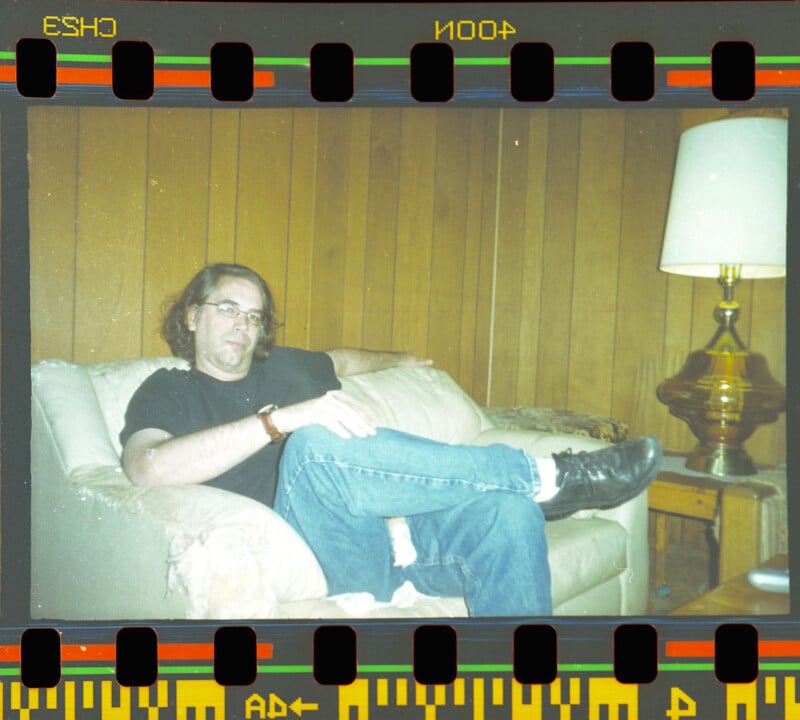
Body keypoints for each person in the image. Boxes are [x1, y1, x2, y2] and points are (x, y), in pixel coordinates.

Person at [120, 263, 662, 617]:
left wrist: (402, 361)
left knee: (508, 514)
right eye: (228, 309)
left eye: (255, 316)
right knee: (312, 443)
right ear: (192, 317)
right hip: (322, 549)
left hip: (391, 542)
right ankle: (545, 476)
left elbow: (344, 360)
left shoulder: (285, 366)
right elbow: (144, 466)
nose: (243, 325)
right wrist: (278, 421)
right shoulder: (168, 389)